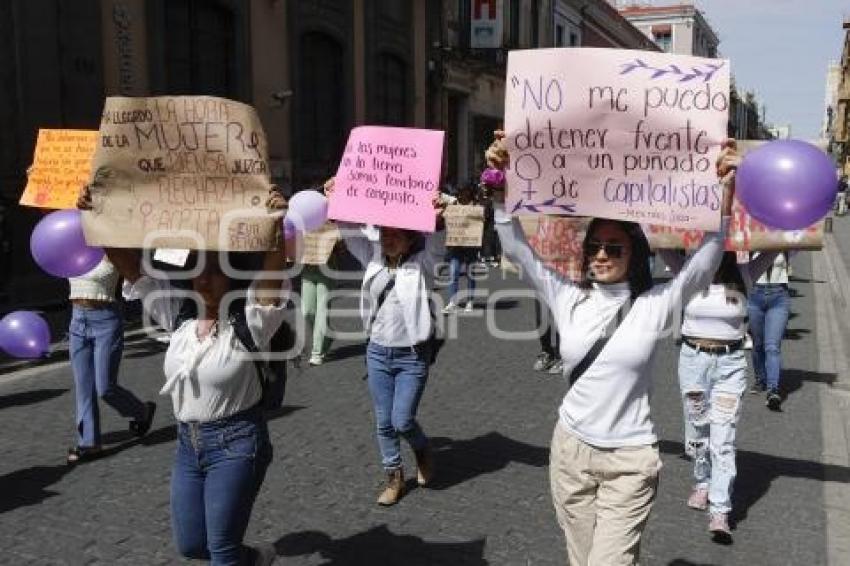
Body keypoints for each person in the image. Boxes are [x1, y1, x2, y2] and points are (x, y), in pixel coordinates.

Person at [486, 131, 738, 565]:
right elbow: (516, 247)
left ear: (634, 254)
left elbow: (706, 260)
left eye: (614, 247)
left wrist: (724, 193)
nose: (601, 255)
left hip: (630, 460)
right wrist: (500, 185)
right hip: (569, 452)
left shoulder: (656, 305)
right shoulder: (567, 296)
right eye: (594, 247)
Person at [78, 186, 288, 566]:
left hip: (237, 442)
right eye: (197, 272)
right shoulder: (177, 318)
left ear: (233, 278)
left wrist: (275, 223)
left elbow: (272, 276)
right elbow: (130, 268)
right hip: (187, 445)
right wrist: (97, 215)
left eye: (214, 273)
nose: (204, 281)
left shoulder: (249, 324)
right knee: (192, 546)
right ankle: (255, 558)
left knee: (221, 549)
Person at [326, 179, 445, 506]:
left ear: (409, 240)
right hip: (377, 352)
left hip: (412, 356)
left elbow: (437, 246)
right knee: (383, 421)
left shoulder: (423, 266)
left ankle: (422, 448)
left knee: (402, 419)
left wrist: (436, 220)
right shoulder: (373, 259)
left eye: (396, 235)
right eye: (385, 233)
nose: (389, 239)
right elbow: (351, 232)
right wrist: (338, 199)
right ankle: (393, 477)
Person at [658, 248, 778, 541]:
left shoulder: (745, 273)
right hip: (693, 361)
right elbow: (660, 242)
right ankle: (702, 481)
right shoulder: (688, 269)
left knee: (723, 438)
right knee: (698, 428)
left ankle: (720, 509)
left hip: (731, 365)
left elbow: (777, 246)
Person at [66, 257, 157, 463]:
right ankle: (89, 443)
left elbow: (139, 276)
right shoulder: (71, 245)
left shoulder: (112, 246)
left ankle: (141, 411)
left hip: (105, 319)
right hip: (77, 319)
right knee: (83, 388)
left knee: (105, 387)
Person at [748, 251, 794, 410]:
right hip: (754, 296)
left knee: (772, 346)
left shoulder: (784, 242)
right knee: (758, 345)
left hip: (779, 297)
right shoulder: (750, 240)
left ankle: (773, 389)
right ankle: (761, 379)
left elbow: (804, 237)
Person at [301, 238, 342, 366]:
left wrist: (336, 240)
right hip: (307, 267)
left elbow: (342, 242)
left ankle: (316, 353)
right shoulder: (302, 220)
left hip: (327, 267)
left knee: (322, 312)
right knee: (307, 312)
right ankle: (327, 337)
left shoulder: (332, 221)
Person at [442, 182, 480, 314]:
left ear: (469, 193)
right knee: (454, 273)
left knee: (471, 273)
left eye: (465, 192)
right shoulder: (453, 205)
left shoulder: (476, 206)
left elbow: (482, 222)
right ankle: (453, 302)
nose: (462, 194)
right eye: (460, 192)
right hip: (456, 246)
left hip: (471, 245)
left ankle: (470, 301)